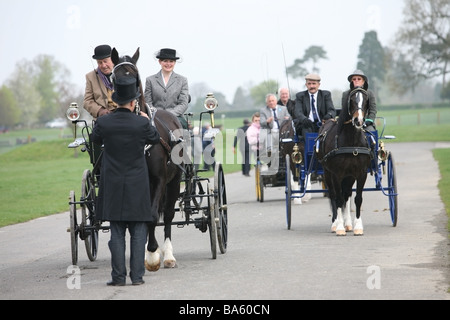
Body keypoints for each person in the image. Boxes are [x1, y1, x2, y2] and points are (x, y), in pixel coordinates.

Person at [92, 75, 160, 286]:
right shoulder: (140, 122)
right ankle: (137, 277)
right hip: (137, 185)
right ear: (133, 102)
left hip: (112, 184)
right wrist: (144, 118)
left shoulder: (104, 122)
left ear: (115, 100)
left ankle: (118, 277)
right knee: (139, 232)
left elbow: (94, 139)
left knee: (117, 233)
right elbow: (155, 138)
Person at [144, 48, 189, 128]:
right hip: (155, 116)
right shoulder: (150, 80)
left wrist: (169, 114)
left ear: (174, 62)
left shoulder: (182, 80)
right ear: (160, 62)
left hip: (176, 117)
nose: (168, 64)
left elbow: (183, 103)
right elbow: (148, 102)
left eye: (171, 61)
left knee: (183, 128)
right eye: (165, 61)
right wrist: (157, 114)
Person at [292, 73, 336, 140]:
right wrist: (304, 119)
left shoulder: (325, 94)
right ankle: (310, 150)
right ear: (306, 85)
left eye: (314, 84)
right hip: (307, 124)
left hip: (322, 124)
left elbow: (332, 110)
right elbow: (298, 112)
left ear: (318, 85)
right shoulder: (300, 96)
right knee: (307, 132)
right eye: (309, 84)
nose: (311, 86)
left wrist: (328, 116)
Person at [83, 45, 117, 118]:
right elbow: (87, 101)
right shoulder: (90, 77)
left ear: (112, 59)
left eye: (105, 61)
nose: (103, 65)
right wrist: (100, 111)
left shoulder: (122, 72)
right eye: (100, 62)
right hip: (103, 119)